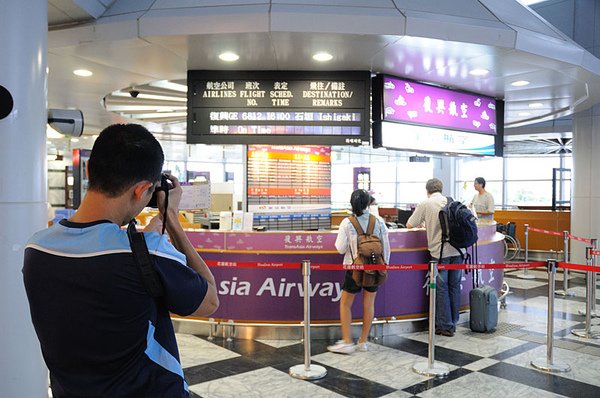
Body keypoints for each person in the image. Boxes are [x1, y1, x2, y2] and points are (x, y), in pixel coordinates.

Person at [23, 124, 219, 397]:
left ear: (90, 170)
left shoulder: (37, 249)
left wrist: (154, 230)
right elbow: (209, 300)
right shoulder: (149, 253)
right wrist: (172, 220)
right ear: (141, 190)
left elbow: (105, 258)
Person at [328, 190, 390, 354]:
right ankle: (363, 342)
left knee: (345, 303)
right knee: (369, 304)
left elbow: (340, 249)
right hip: (375, 268)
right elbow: (386, 247)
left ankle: (347, 341)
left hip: (353, 268)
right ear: (369, 203)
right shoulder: (378, 221)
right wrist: (383, 267)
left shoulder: (347, 223)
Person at [406, 178, 461, 337]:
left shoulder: (426, 203)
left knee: (441, 289)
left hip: (440, 252)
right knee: (454, 286)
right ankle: (453, 322)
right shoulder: (451, 201)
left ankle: (445, 326)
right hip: (458, 250)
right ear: (441, 189)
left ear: (427, 190)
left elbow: (410, 224)